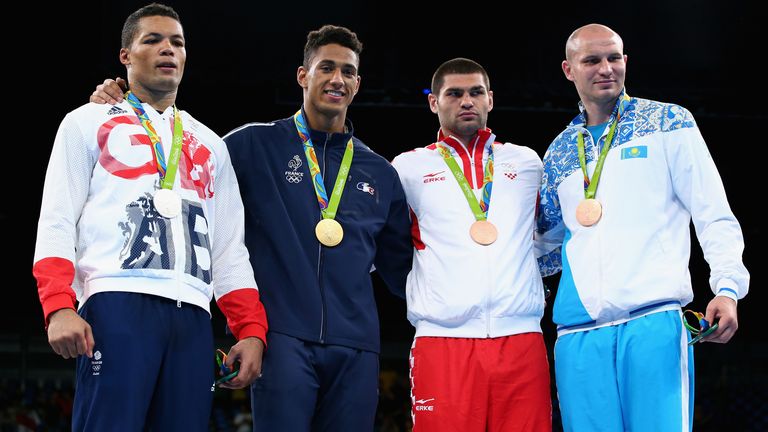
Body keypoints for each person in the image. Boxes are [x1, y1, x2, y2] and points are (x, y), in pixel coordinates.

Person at [91, 24, 413, 431]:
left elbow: (404, 271)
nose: (337, 79)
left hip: (358, 346)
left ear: (358, 82)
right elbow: (176, 151)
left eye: (347, 71)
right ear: (303, 75)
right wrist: (122, 105)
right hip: (282, 339)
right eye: (326, 67)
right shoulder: (250, 146)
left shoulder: (381, 174)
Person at [33, 4, 268, 431]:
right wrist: (58, 306)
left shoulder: (212, 145)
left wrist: (250, 329)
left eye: (177, 42)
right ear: (125, 55)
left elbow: (230, 248)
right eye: (153, 40)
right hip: (116, 302)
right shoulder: (86, 122)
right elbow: (56, 220)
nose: (168, 50)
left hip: (194, 314)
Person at [536, 23, 750, 431]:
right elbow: (541, 248)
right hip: (577, 337)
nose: (606, 68)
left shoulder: (669, 122)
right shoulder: (559, 152)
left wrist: (727, 288)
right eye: (592, 60)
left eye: (614, 58)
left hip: (653, 323)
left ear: (626, 62)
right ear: (569, 70)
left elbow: (713, 212)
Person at [391, 58, 552, 431]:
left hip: (522, 340)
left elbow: (551, 233)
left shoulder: (527, 163)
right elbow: (385, 244)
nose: (467, 101)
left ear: (490, 99)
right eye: (455, 93)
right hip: (443, 341)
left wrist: (526, 277)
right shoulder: (407, 168)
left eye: (476, 92)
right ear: (434, 102)